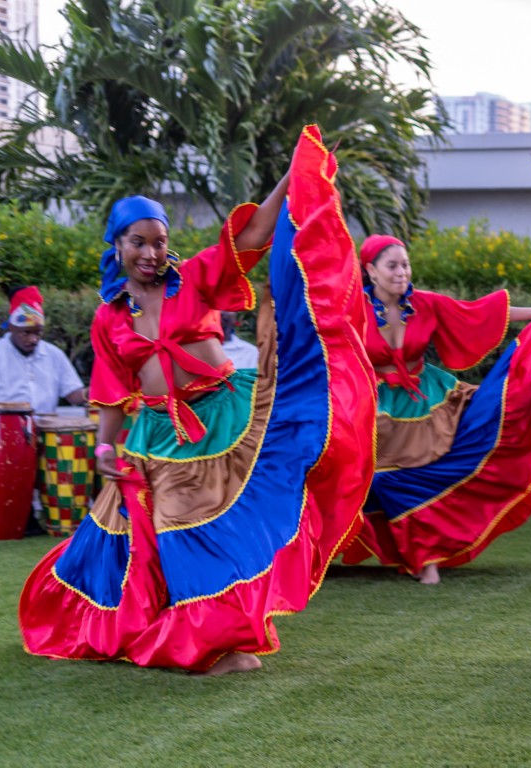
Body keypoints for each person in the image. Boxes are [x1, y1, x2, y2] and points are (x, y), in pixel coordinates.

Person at [19, 125, 376, 675]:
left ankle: (221, 641)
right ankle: (200, 638)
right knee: (159, 537)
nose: (150, 252)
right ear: (117, 244)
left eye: (159, 241)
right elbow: (111, 394)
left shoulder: (196, 278)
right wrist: (105, 450)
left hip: (224, 414)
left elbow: (255, 231)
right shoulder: (109, 317)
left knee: (215, 526)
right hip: (159, 434)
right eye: (138, 242)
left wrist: (292, 174)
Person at [339, 234, 531, 584]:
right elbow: (319, 340)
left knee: (432, 471)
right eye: (392, 266)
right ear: (371, 271)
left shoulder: (425, 304)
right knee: (379, 480)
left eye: (405, 264)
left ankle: (426, 559)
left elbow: (482, 313)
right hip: (375, 405)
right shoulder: (351, 309)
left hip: (428, 399)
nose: (402, 272)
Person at [0, 285, 87, 414]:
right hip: (4, 424)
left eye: (38, 333)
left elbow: (73, 394)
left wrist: (93, 392)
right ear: (12, 327)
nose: (33, 339)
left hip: (46, 425)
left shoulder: (54, 355)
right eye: (26, 333)